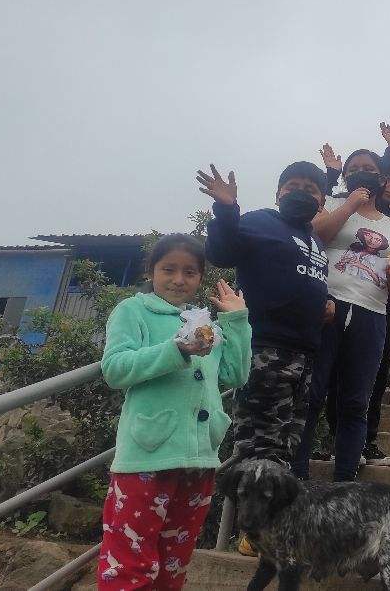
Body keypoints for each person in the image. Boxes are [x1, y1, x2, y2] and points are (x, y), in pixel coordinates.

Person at [97, 235, 251, 588]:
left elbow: (235, 374)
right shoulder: (132, 311)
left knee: (174, 564)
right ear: (151, 271)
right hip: (147, 457)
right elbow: (115, 368)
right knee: (128, 563)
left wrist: (237, 321)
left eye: (190, 272)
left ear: (200, 278)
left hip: (199, 460)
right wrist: (176, 350)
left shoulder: (204, 321)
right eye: (169, 269)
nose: (179, 280)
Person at [200, 162, 332, 468]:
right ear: (278, 194)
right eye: (292, 187)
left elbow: (305, 279)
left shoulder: (315, 240)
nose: (300, 193)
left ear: (321, 202)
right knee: (258, 448)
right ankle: (249, 514)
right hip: (265, 350)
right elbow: (221, 252)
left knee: (289, 443)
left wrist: (327, 301)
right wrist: (227, 209)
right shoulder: (260, 221)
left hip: (306, 355)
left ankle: (277, 513)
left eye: (310, 189)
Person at [292, 149, 390, 481]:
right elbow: (316, 235)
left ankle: (345, 483)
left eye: (369, 168)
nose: (361, 172)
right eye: (354, 168)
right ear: (345, 175)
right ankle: (297, 479)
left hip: (371, 314)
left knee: (355, 402)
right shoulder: (329, 203)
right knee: (312, 395)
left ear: (381, 177)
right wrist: (349, 204)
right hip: (326, 307)